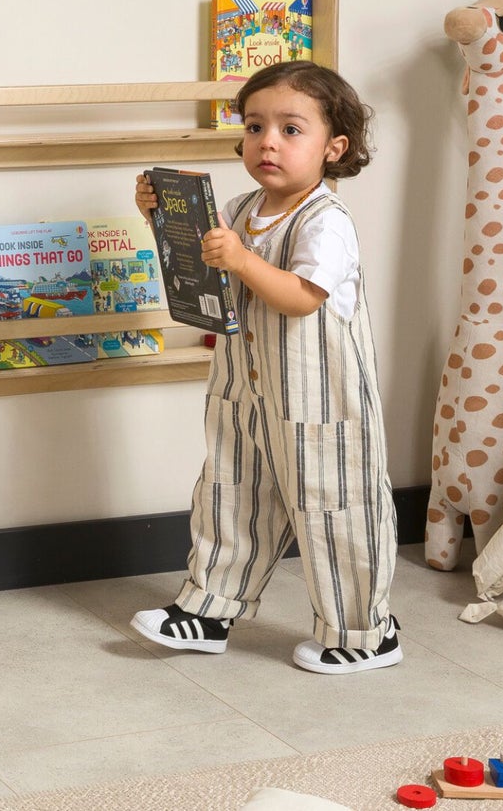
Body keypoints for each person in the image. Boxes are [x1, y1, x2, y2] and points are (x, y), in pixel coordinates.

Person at [130, 60, 400, 675]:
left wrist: (240, 260)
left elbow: (302, 297)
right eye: (255, 127)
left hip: (320, 401)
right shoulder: (239, 207)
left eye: (290, 129)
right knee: (230, 493)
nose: (267, 142)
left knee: (335, 506)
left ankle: (366, 631)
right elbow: (205, 270)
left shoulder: (326, 221)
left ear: (334, 148)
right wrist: (161, 218)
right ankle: (208, 609)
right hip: (243, 390)